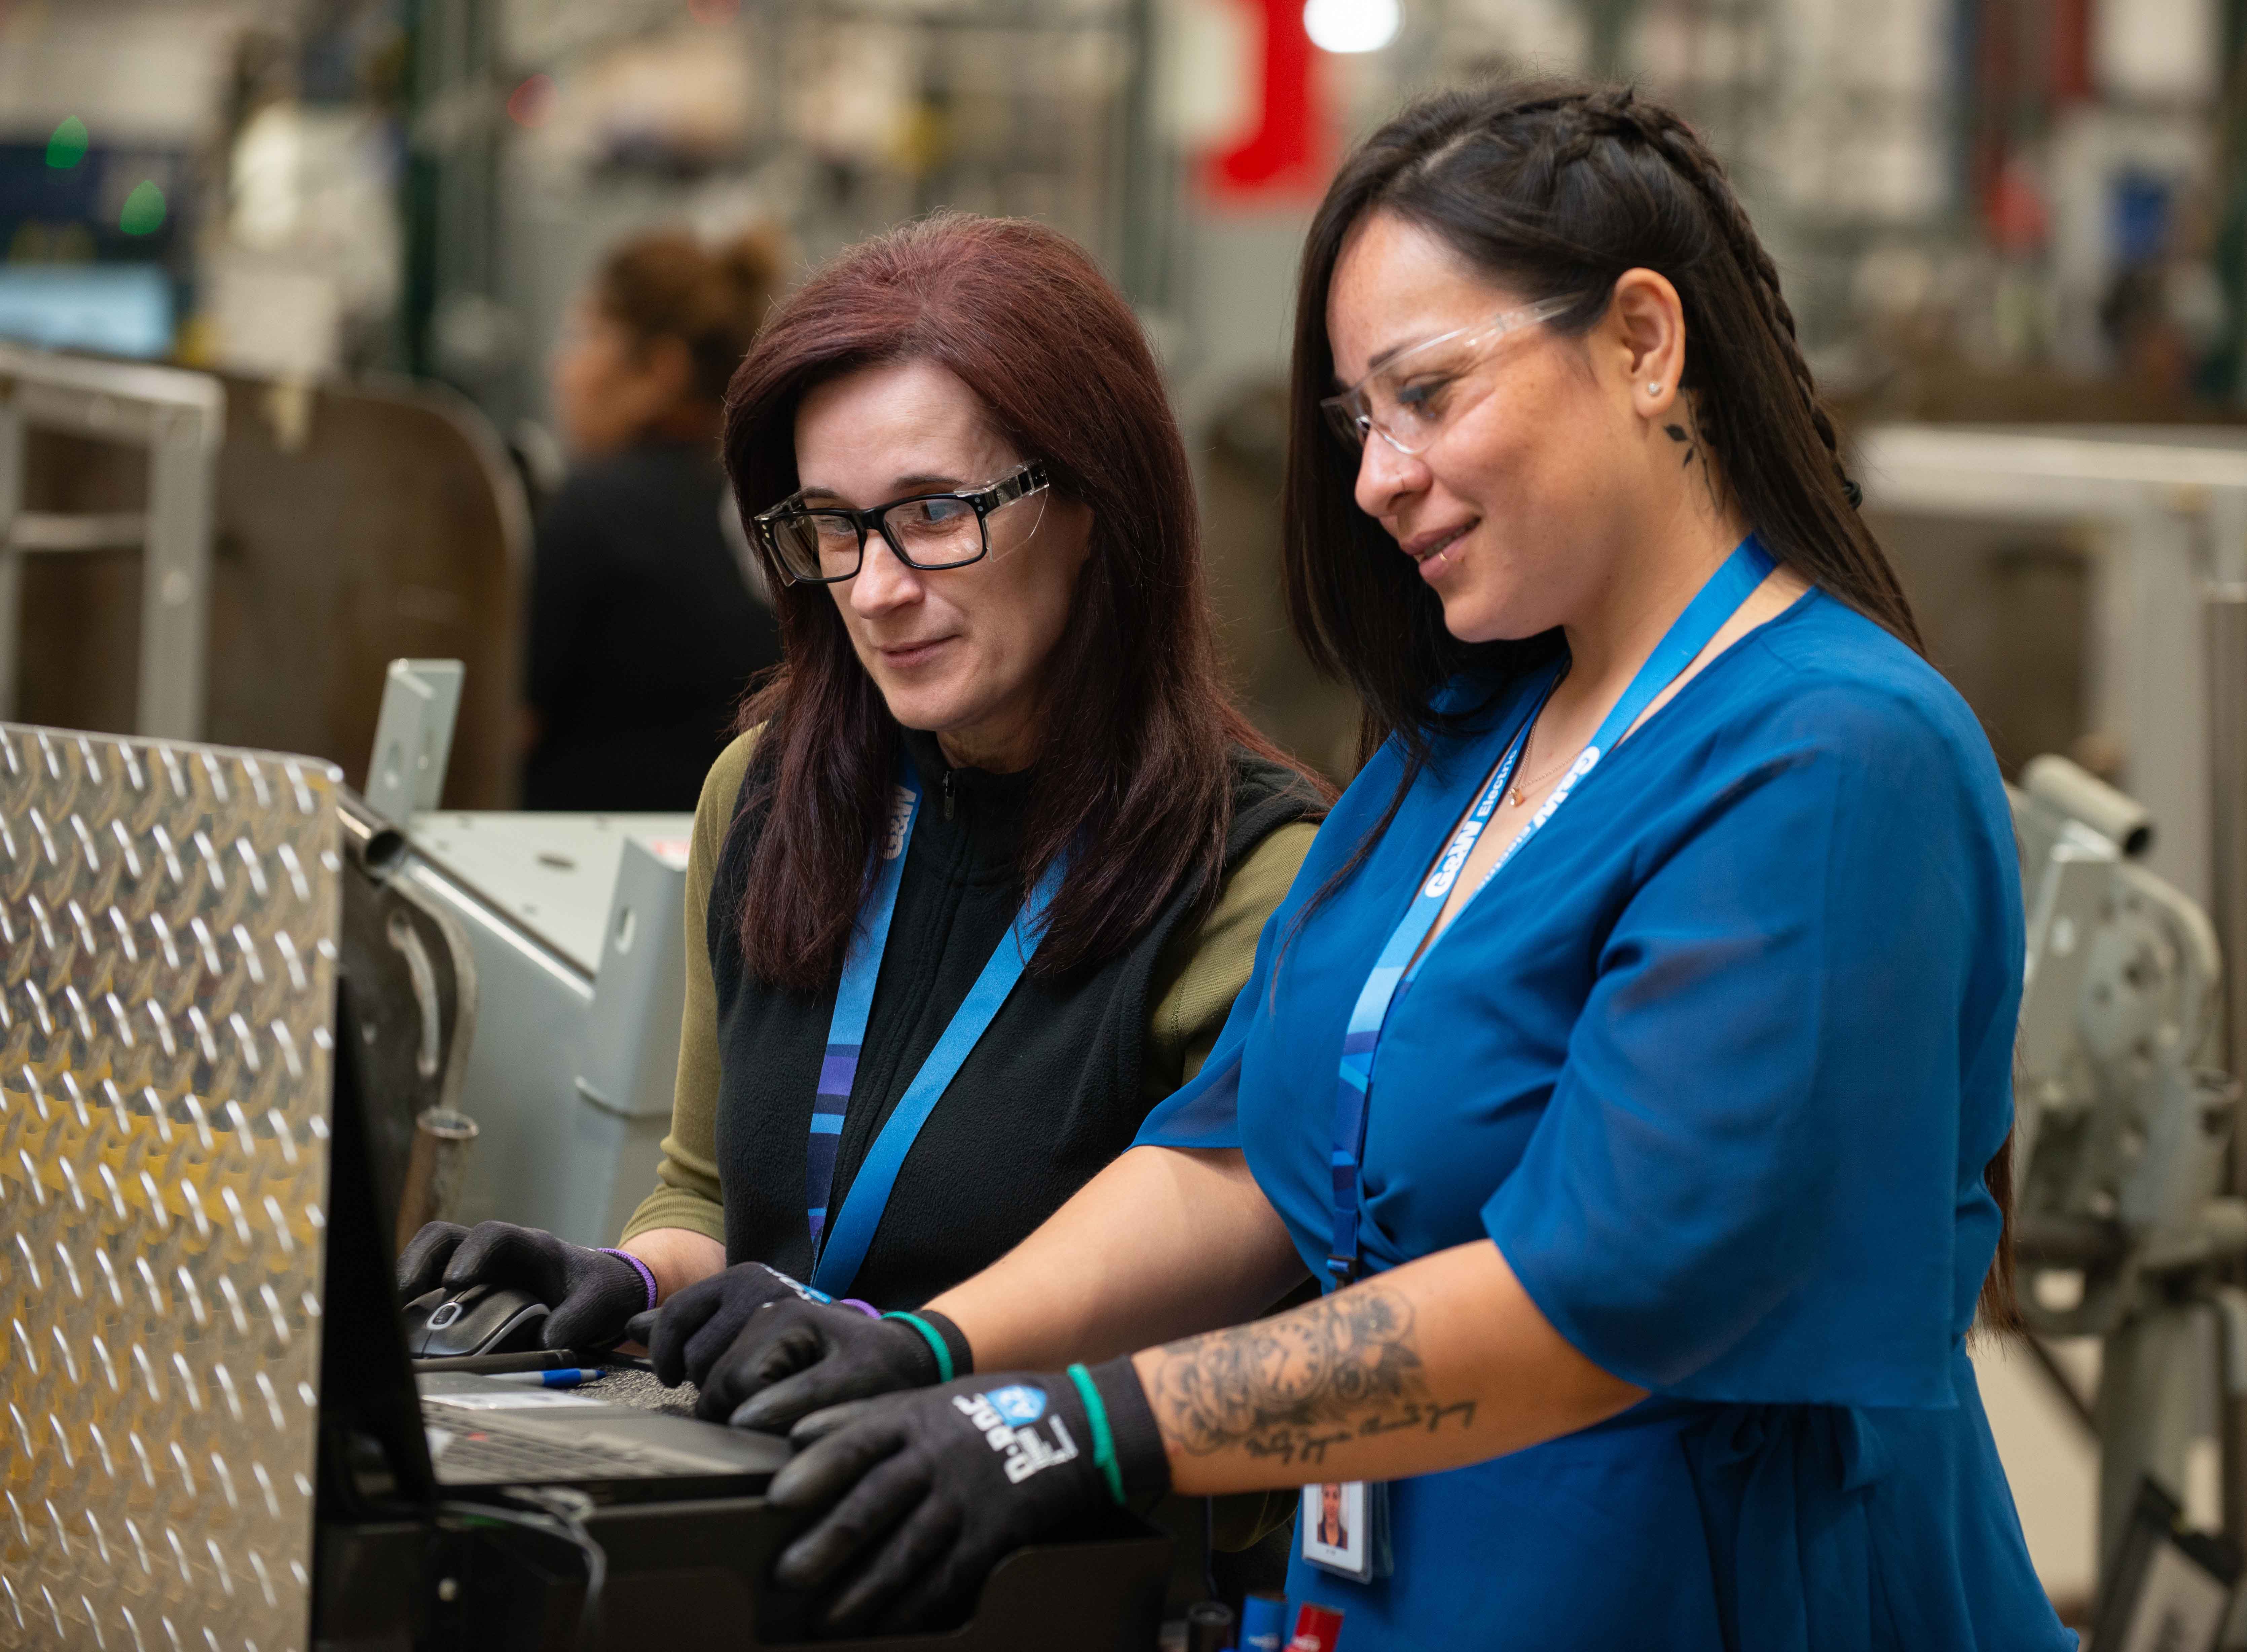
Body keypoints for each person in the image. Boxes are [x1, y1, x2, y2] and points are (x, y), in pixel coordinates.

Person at [702, 83, 2076, 1650]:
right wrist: (929, 1346)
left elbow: (1582, 1303)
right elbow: (1238, 1161)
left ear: (1642, 342)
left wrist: (1074, 1425)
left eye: (1427, 392)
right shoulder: (1461, 745)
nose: (1376, 475)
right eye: (1360, 420)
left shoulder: (1829, 759)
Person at [399, 214, 1326, 1478]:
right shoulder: (772, 797)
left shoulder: (1250, 876)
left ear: (1094, 503)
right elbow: (713, 1192)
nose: (879, 588)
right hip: (774, 1510)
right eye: (834, 527)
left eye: (936, 513)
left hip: (1031, 1548)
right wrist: (615, 1276)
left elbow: (1234, 1276)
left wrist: (920, 1349)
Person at [524, 226, 785, 810]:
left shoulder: (597, 510)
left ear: (660, 371)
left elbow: (511, 723)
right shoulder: (762, 497)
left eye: (586, 335)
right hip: (734, 856)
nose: (560, 368)